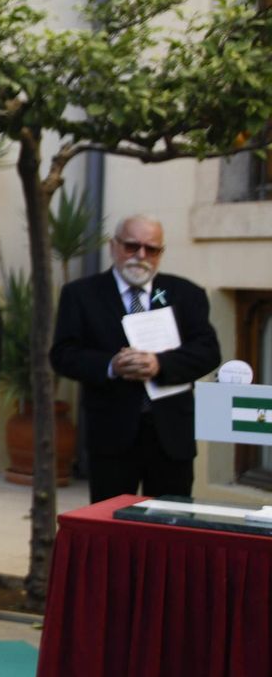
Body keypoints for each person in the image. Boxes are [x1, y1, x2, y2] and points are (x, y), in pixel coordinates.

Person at [51, 214, 221, 503]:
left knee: (171, 527)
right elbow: (63, 355)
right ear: (113, 246)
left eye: (151, 249)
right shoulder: (81, 294)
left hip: (171, 436)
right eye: (132, 246)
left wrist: (160, 364)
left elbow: (207, 352)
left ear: (160, 253)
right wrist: (111, 366)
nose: (141, 256)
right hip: (112, 433)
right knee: (113, 529)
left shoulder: (186, 294)